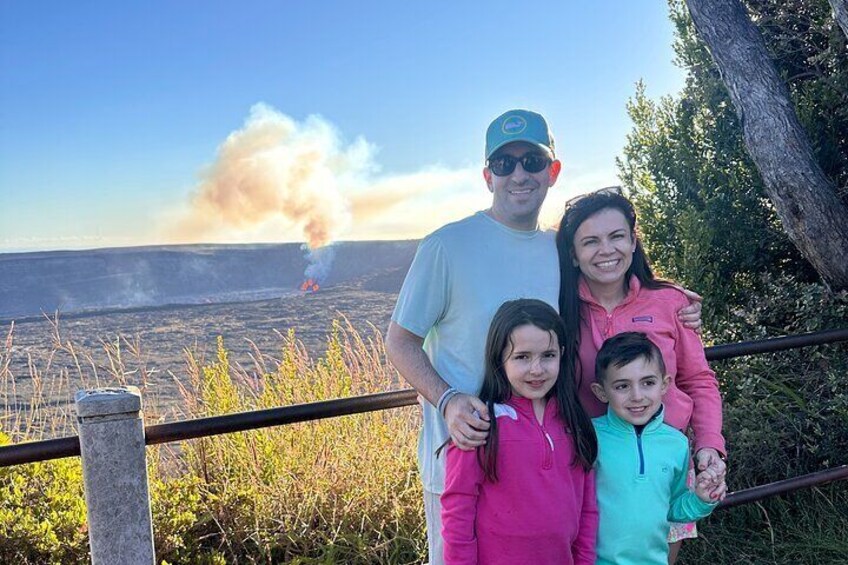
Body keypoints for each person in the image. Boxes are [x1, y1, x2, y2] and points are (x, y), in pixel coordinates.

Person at [386, 110, 701, 564]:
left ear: (552, 172)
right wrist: (450, 399)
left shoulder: (559, 249)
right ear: (486, 174)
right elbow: (400, 341)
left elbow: (610, 284)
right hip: (466, 456)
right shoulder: (446, 245)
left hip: (543, 466)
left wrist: (672, 298)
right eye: (504, 163)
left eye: (532, 160)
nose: (518, 174)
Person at [556, 187, 727, 562]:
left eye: (617, 236)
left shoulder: (669, 302)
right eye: (590, 241)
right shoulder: (558, 308)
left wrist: (709, 446)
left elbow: (699, 380)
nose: (606, 250)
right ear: (572, 253)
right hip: (593, 467)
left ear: (633, 242)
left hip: (665, 462)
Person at [441, 299, 598, 564]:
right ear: (499, 359)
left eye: (548, 356)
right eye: (522, 357)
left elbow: (587, 509)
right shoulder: (480, 425)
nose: (536, 369)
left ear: (561, 353)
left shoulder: (575, 422)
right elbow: (458, 509)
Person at [590, 332, 724, 565]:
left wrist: (701, 500)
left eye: (648, 383)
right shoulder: (588, 437)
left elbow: (674, 508)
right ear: (601, 392)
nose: (637, 396)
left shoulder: (677, 444)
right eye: (622, 386)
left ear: (664, 385)